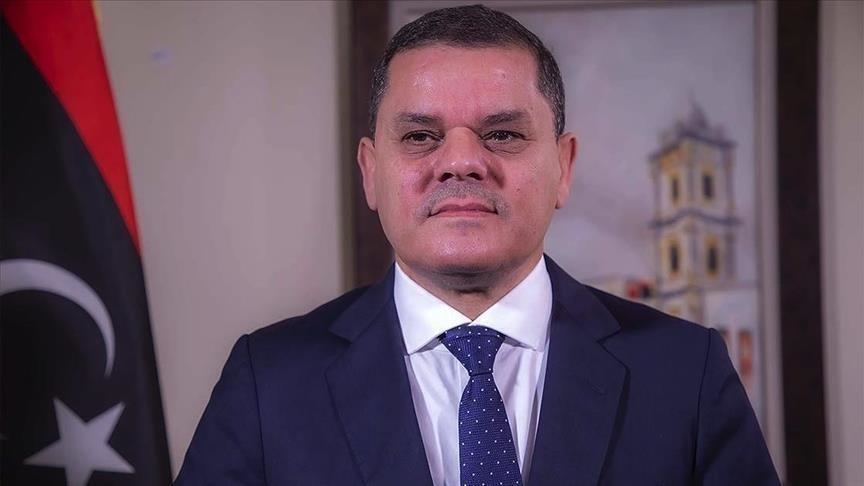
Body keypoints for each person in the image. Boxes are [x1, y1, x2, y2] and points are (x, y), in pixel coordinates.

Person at [176, 5, 779, 485]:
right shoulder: (268, 382)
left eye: (503, 134)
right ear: (371, 173)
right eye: (420, 135)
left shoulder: (685, 372)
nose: (461, 161)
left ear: (563, 167)